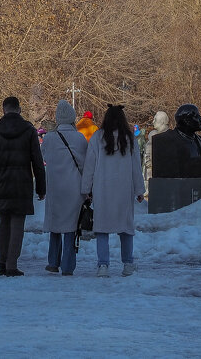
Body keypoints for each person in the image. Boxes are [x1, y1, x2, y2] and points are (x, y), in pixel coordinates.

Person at [0, 96, 45, 277]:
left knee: (3, 222)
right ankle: (11, 264)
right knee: (17, 224)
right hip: (22, 183)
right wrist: (41, 188)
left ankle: (2, 261)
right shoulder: (29, 131)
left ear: (4, 110)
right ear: (19, 109)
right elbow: (37, 163)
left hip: (1, 184)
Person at [80, 105, 146, 277]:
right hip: (124, 190)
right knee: (126, 227)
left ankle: (103, 265)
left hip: (103, 189)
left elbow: (90, 166)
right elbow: (135, 168)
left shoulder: (97, 138)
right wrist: (140, 190)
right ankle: (128, 264)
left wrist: (86, 188)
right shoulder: (129, 139)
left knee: (102, 228)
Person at [40, 100, 88, 275]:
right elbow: (84, 165)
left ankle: (53, 262)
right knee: (70, 228)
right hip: (74, 189)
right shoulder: (80, 138)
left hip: (55, 189)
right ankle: (68, 266)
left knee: (55, 226)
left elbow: (43, 156)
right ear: (73, 118)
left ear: (58, 118)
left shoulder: (49, 138)